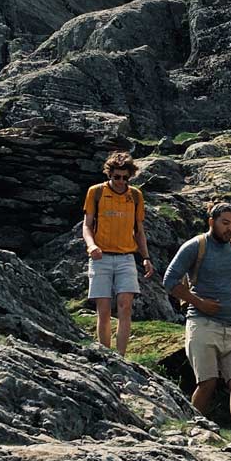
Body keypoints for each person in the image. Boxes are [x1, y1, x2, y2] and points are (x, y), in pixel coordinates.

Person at [164, 202, 231, 434]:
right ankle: (192, 430)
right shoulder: (195, 246)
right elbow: (169, 280)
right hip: (201, 323)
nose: (229, 229)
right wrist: (199, 303)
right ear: (211, 221)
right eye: (225, 223)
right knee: (207, 382)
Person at [82, 150, 154, 357]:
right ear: (109, 174)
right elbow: (87, 225)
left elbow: (139, 230)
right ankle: (106, 355)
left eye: (125, 177)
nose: (121, 181)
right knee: (103, 310)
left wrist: (146, 258)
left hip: (126, 258)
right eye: (117, 177)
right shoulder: (95, 192)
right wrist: (91, 245)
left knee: (125, 306)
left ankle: (121, 357)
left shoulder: (135, 196)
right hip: (100, 257)